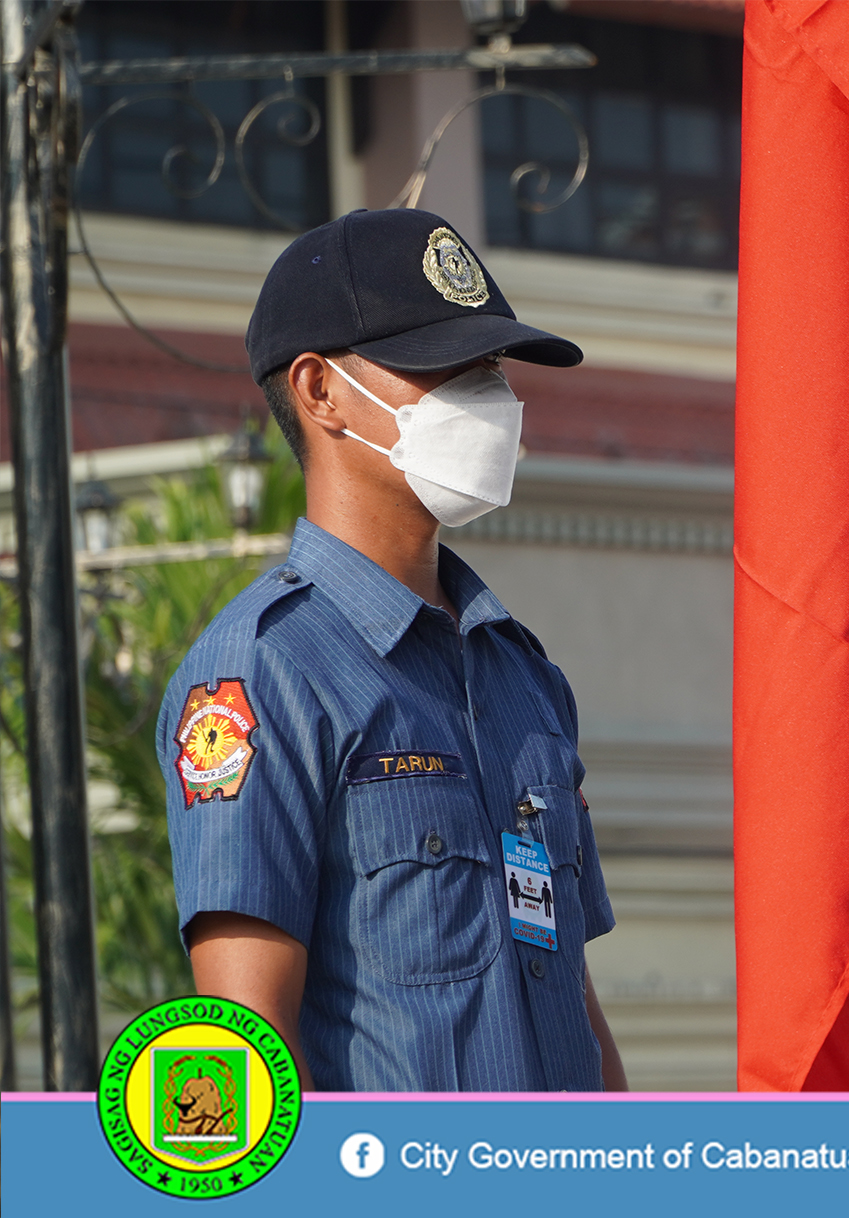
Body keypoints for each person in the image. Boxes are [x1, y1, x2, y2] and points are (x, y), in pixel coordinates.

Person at [161, 208, 628, 1091]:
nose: (486, 394)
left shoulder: (523, 674)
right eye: (439, 364)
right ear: (320, 390)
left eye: (489, 365)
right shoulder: (262, 673)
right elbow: (242, 1036)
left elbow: (575, 1001)